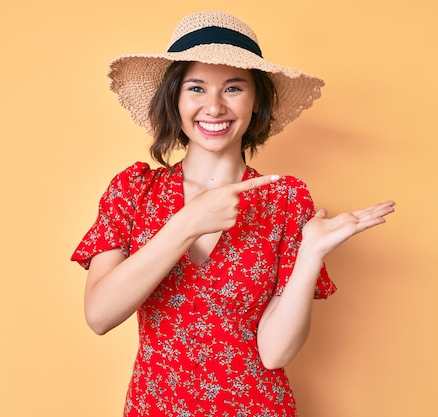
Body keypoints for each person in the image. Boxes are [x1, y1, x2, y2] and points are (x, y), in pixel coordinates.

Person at [71, 10, 395, 417]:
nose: (214, 106)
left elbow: (275, 353)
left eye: (233, 88)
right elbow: (99, 315)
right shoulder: (134, 191)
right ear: (174, 97)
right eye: (196, 87)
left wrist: (310, 255)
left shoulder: (285, 200)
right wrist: (186, 224)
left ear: (256, 99)